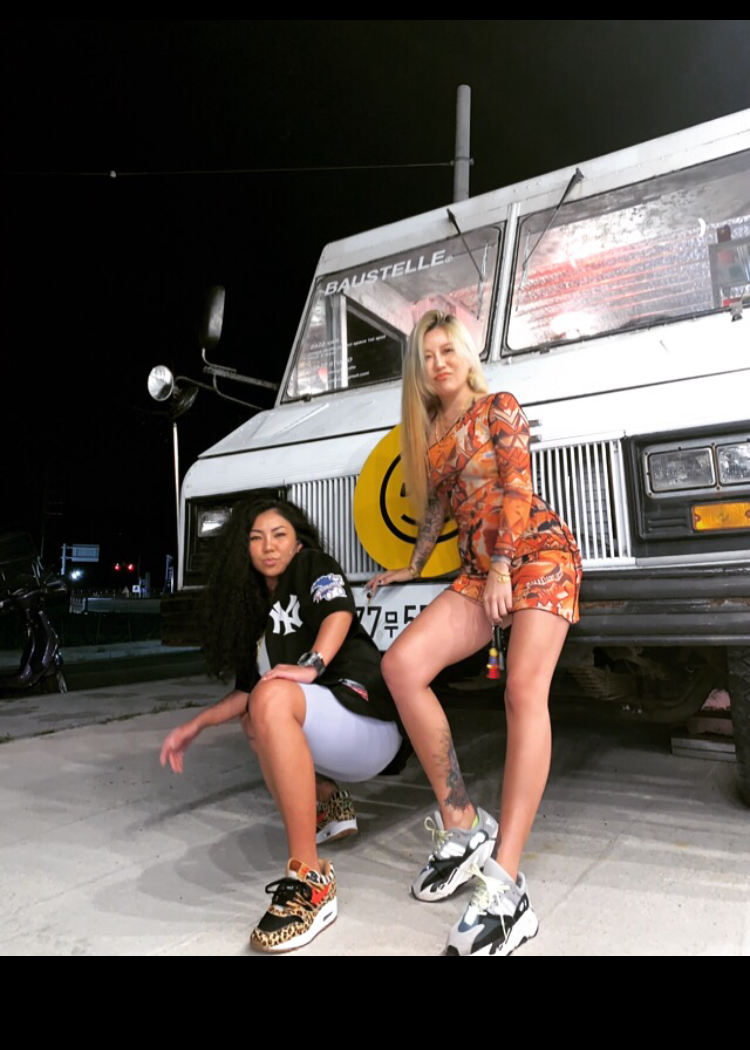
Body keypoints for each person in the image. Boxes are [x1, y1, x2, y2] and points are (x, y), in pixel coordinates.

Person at [365, 309, 582, 957]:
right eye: (427, 356)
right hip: (478, 572)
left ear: (465, 355)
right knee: (401, 667)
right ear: (420, 370)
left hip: (536, 554)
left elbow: (517, 486)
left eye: (447, 350)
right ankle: (462, 821)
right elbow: (437, 506)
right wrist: (412, 564)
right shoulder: (431, 435)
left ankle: (507, 886)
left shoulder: (498, 407)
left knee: (522, 692)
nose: (439, 363)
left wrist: (503, 567)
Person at [160, 497, 404, 954]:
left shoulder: (311, 565)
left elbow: (338, 613)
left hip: (368, 721)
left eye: (279, 535)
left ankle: (310, 880)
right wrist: (196, 725)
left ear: (296, 544)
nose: (268, 546)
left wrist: (312, 665)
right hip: (331, 733)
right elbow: (246, 693)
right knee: (254, 716)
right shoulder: (256, 615)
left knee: (271, 698)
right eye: (256, 538)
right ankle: (328, 801)